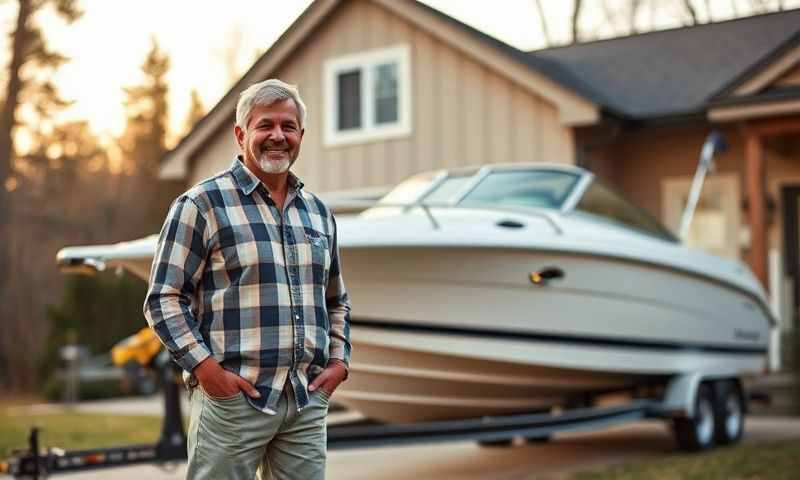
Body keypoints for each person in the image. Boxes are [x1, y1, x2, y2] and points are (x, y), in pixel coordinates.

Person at [143, 78, 351, 480]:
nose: (278, 136)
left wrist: (339, 362)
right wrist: (207, 371)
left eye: (288, 127)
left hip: (305, 401)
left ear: (301, 136)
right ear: (241, 135)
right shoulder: (201, 204)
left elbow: (336, 299)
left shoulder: (318, 213)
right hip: (232, 400)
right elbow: (163, 298)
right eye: (265, 125)